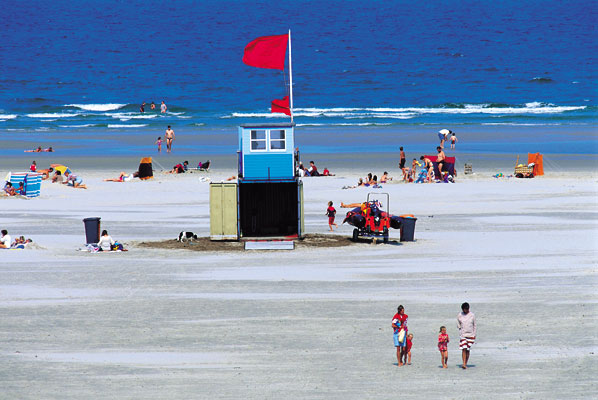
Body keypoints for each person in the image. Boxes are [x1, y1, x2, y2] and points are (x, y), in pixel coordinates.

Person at [457, 302, 476, 369]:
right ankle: (464, 363)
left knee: (467, 349)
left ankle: (466, 362)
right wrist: (460, 331)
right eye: (465, 309)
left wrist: (474, 334)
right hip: (463, 334)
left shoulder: (472, 315)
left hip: (470, 334)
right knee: (463, 348)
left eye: (467, 309)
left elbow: (474, 325)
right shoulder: (460, 315)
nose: (467, 310)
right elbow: (458, 324)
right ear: (463, 309)